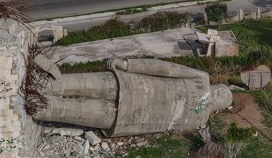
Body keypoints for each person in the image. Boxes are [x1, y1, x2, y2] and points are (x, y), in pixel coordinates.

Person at [29, 55, 232, 137]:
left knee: (67, 86)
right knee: (54, 108)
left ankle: (36, 90)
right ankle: (35, 105)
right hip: (126, 117)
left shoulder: (202, 80)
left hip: (128, 86)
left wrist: (128, 65)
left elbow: (165, 68)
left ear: (218, 89)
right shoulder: (199, 120)